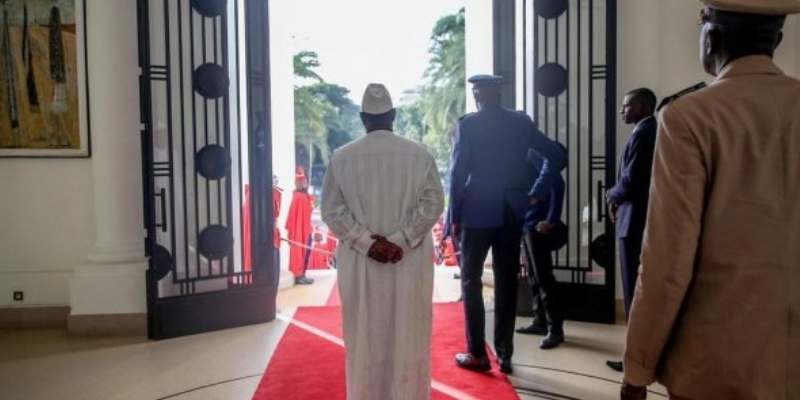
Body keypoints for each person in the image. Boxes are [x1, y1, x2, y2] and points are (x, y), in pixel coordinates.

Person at [620, 1, 800, 399]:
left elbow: (668, 260)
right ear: (778, 40)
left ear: (711, 38)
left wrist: (638, 368)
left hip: (718, 362)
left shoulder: (690, 117)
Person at [321, 83, 444, 400]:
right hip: (408, 262)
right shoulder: (420, 155)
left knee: (364, 335)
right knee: (409, 333)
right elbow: (432, 205)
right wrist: (401, 241)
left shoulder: (342, 158)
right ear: (393, 114)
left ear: (363, 117)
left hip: (361, 265)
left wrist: (367, 243)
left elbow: (332, 210)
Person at [450, 74, 566, 374]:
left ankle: (477, 354)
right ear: (499, 95)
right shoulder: (521, 122)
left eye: (475, 92)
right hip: (513, 212)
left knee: (471, 281)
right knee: (507, 283)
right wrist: (534, 194)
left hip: (477, 211)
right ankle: (504, 355)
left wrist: (455, 216)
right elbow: (555, 155)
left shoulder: (469, 124)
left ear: (478, 96)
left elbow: (458, 173)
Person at [604, 87, 658, 372]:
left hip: (635, 220)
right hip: (630, 216)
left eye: (626, 106)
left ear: (641, 105)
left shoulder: (646, 132)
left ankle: (634, 358)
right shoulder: (643, 130)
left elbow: (632, 180)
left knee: (632, 291)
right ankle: (634, 354)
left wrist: (611, 195)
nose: (623, 111)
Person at [515, 147, 568, 350]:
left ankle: (556, 329)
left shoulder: (531, 152)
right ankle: (540, 322)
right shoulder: (517, 152)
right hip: (527, 225)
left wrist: (552, 219)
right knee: (532, 276)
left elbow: (557, 182)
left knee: (544, 276)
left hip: (539, 225)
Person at [285, 167, 315, 285]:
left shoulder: (301, 196)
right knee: (301, 252)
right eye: (304, 182)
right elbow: (308, 210)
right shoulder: (300, 197)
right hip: (300, 230)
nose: (306, 184)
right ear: (300, 183)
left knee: (305, 252)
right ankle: (299, 275)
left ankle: (302, 274)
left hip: (305, 229)